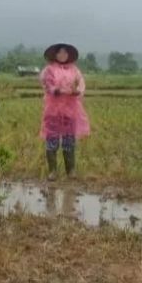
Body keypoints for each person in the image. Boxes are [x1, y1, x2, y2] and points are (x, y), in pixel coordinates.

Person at [39, 43, 90, 180]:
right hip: (53, 109)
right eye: (60, 52)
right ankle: (52, 171)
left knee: (69, 140)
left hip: (70, 110)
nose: (62, 55)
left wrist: (77, 91)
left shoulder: (74, 70)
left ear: (68, 55)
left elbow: (80, 84)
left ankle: (71, 171)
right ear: (55, 55)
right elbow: (48, 85)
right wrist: (58, 90)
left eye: (65, 53)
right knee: (52, 139)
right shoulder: (49, 70)